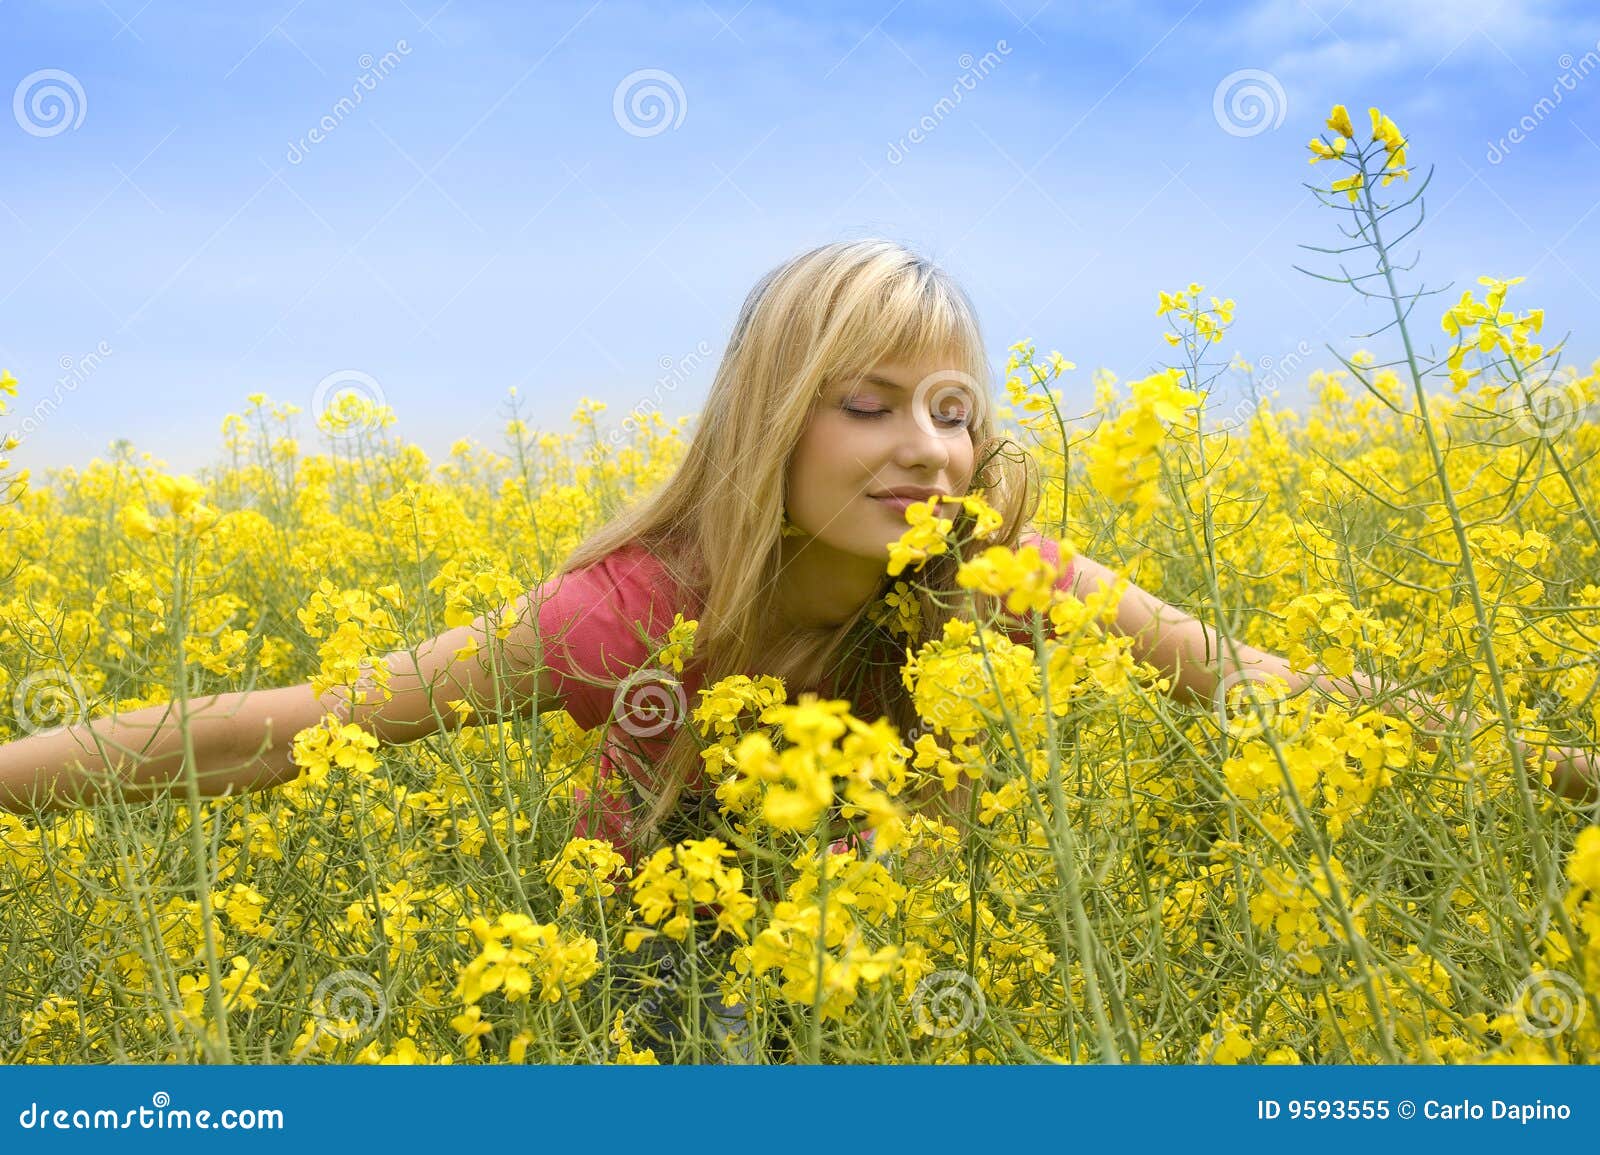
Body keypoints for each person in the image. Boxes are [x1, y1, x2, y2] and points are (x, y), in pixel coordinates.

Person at [0, 239, 1595, 1059]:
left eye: (955, 411)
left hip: (925, 978)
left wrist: (1554, 773)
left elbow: (1260, 685)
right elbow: (282, 730)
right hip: (664, 990)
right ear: (774, 417)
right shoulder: (625, 612)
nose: (931, 452)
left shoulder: (991, 575)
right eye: (870, 402)